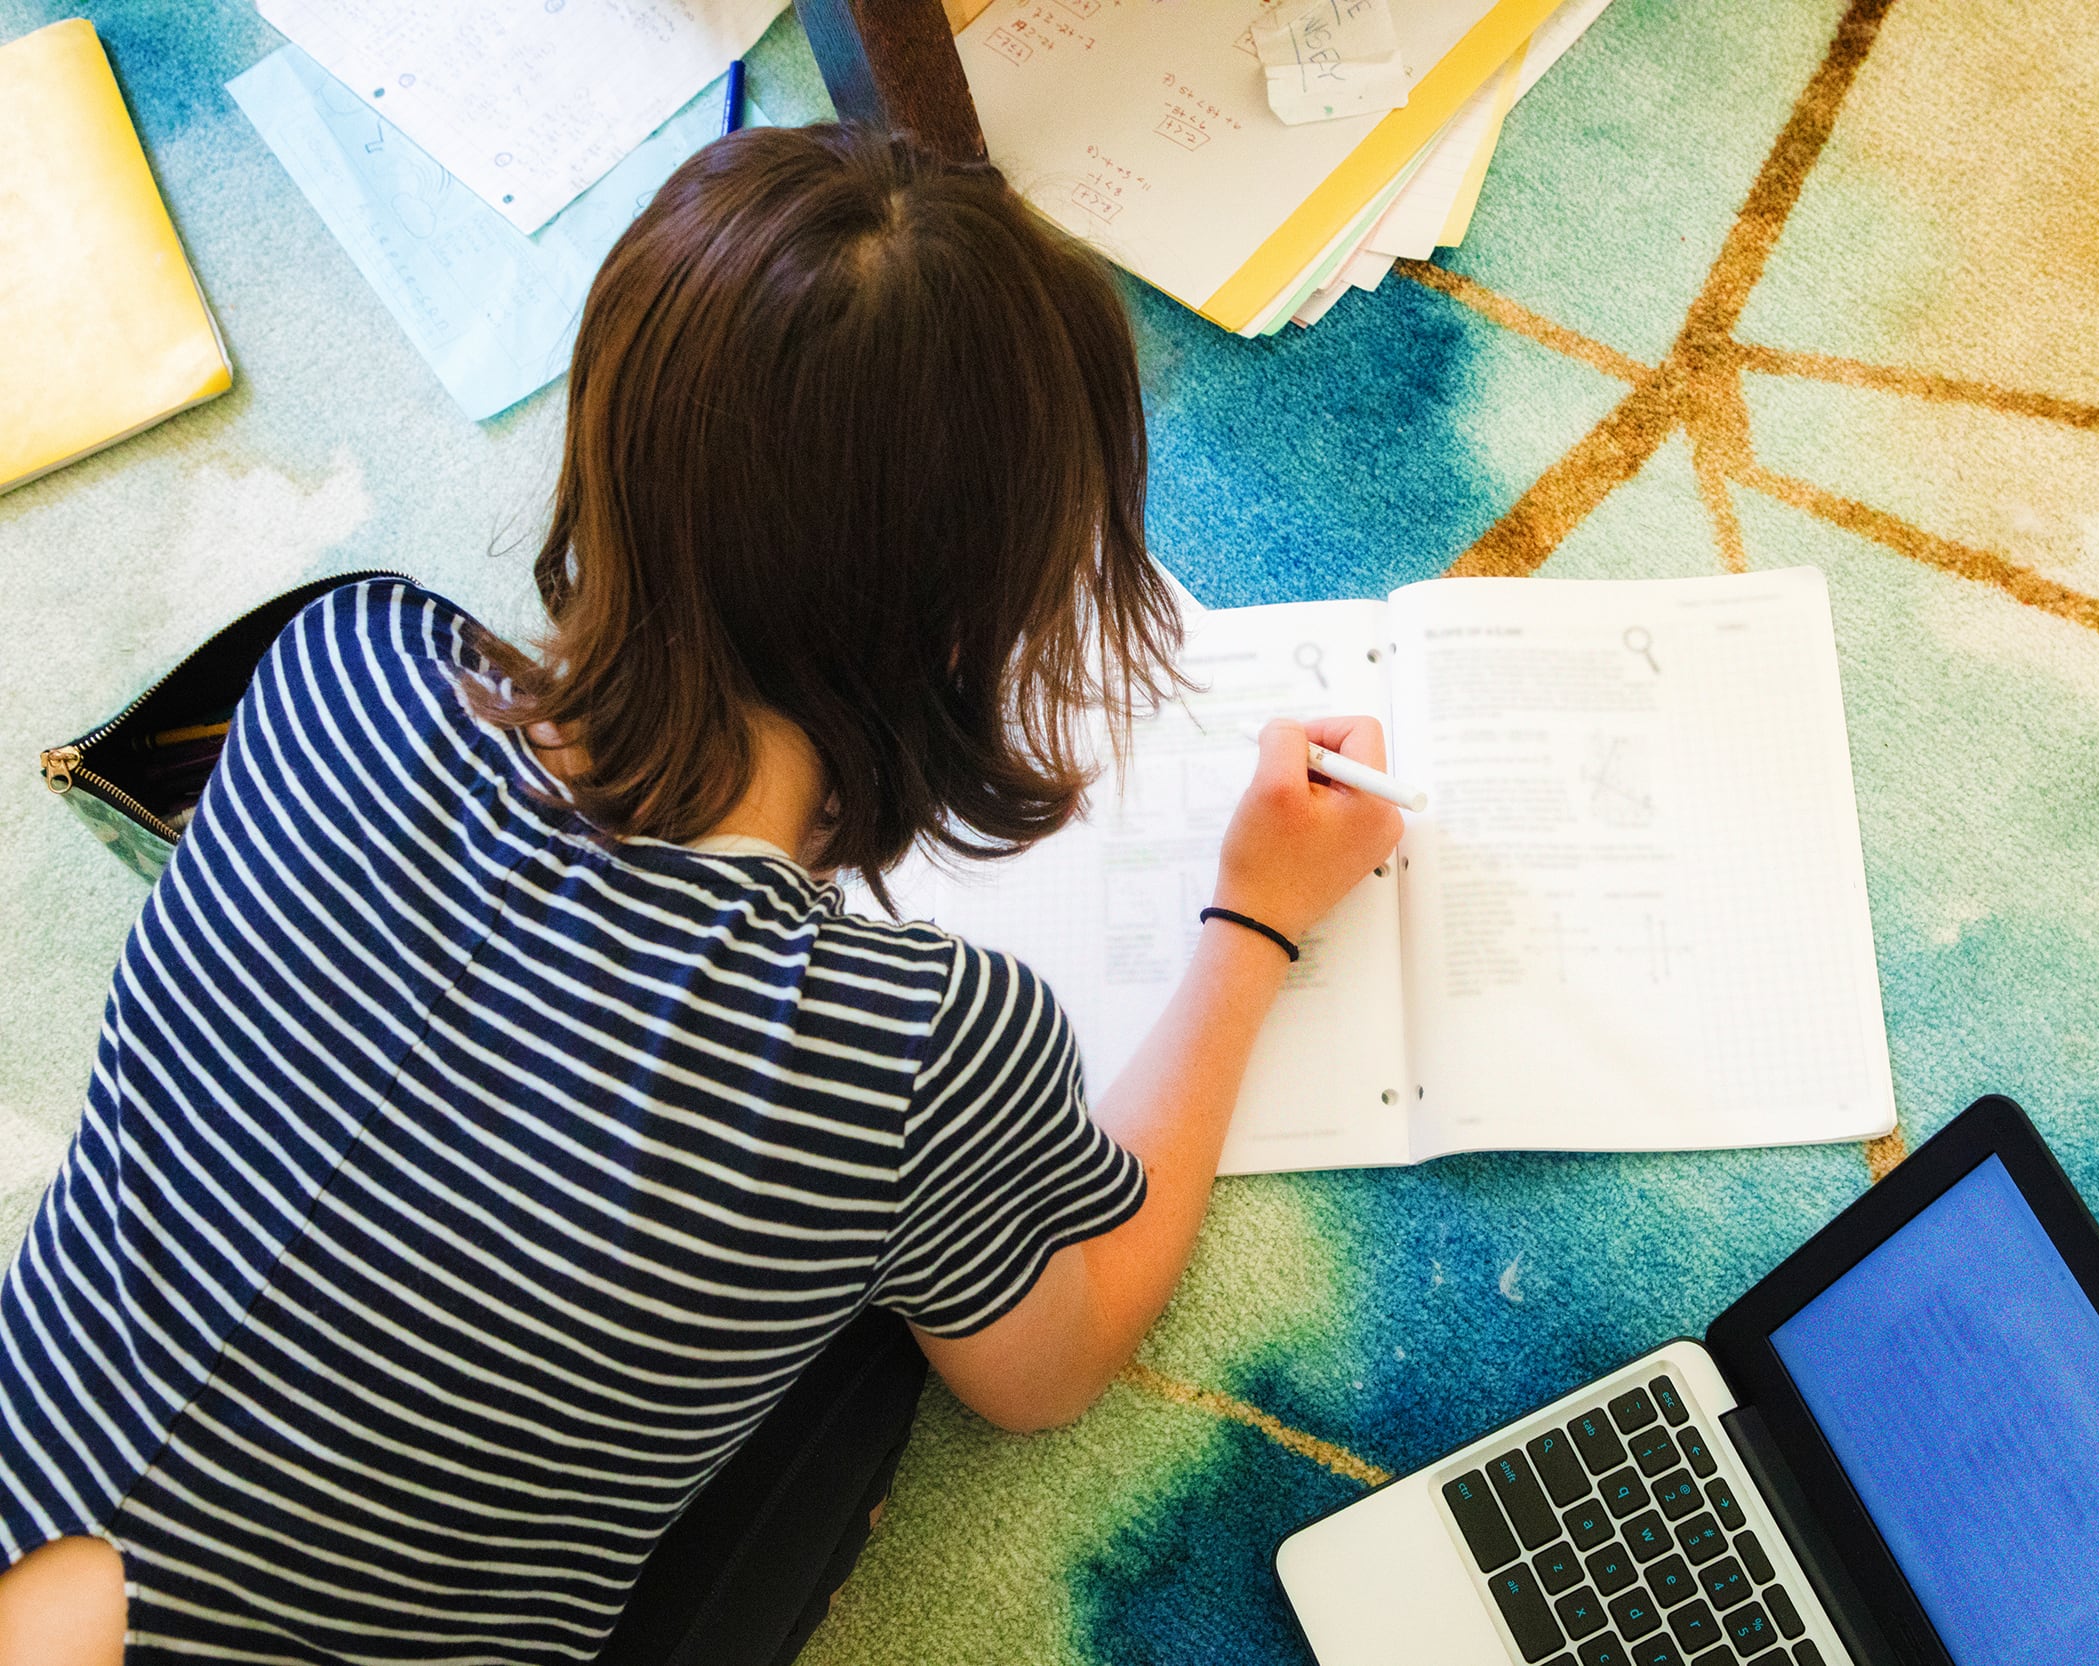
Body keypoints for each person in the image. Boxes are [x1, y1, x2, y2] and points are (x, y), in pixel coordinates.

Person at [0, 123, 1403, 1666]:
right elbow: (1045, 1372)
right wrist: (1255, 922)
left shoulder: (340, 654)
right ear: (971, 626)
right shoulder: (913, 1045)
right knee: (875, 1366)